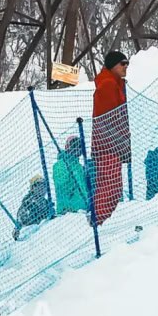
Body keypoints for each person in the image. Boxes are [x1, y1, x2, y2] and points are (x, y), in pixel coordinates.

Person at [92, 50, 131, 225]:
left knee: (113, 186)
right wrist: (120, 142)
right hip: (108, 145)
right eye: (122, 63)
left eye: (127, 63)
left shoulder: (115, 83)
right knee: (110, 186)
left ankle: (105, 219)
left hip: (112, 145)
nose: (126, 67)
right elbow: (107, 119)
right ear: (113, 65)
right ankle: (101, 221)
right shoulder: (108, 85)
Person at [53, 136, 90, 215]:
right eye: (74, 145)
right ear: (68, 147)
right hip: (68, 212)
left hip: (83, 208)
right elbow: (61, 185)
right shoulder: (60, 164)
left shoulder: (79, 166)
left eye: (79, 146)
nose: (77, 148)